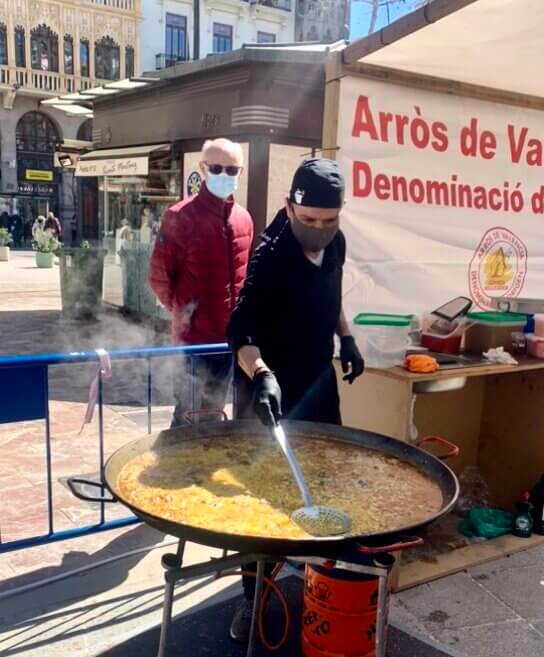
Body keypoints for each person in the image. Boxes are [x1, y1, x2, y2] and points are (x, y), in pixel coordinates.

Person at [226, 158, 365, 642]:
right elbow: (239, 328)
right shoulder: (270, 254)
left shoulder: (337, 243)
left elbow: (333, 295)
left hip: (317, 382)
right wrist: (260, 373)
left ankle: (316, 576)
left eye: (329, 222)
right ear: (289, 208)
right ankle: (252, 599)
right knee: (262, 500)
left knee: (325, 478)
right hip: (266, 389)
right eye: (309, 222)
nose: (319, 231)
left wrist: (345, 337)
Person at [149, 138, 253, 426]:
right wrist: (185, 314)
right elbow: (159, 277)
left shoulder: (244, 219)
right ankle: (169, 469)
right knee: (188, 413)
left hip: (229, 341)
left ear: (241, 172)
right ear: (203, 168)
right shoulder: (179, 216)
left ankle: (201, 469)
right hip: (193, 343)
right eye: (217, 168)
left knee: (214, 411)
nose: (225, 175)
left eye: (232, 170)